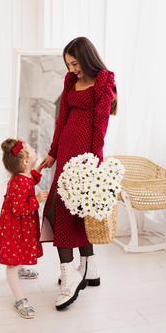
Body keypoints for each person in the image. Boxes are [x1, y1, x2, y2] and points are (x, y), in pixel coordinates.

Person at [40, 36, 117, 310]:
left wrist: (94, 161)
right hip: (65, 155)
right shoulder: (71, 81)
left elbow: (101, 125)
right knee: (62, 210)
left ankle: (71, 274)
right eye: (69, 64)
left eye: (74, 63)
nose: (72, 69)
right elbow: (62, 119)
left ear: (86, 58)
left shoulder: (104, 81)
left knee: (72, 212)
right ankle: (89, 269)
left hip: (85, 157)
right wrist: (52, 152)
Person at [0, 139, 48, 319]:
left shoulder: (25, 176)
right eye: (30, 149)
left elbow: (31, 177)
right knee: (11, 262)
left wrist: (39, 168)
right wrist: (36, 200)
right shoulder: (19, 183)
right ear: (24, 162)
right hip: (14, 228)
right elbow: (18, 209)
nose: (33, 148)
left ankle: (21, 268)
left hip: (21, 227)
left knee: (20, 249)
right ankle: (19, 299)